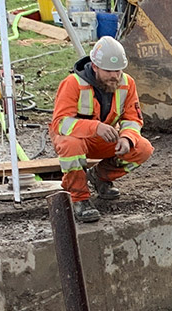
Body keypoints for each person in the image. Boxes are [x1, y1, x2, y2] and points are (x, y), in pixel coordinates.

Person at [50, 35, 154, 223]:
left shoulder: (127, 83)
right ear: (95, 66)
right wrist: (95, 127)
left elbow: (133, 118)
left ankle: (99, 177)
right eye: (108, 71)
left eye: (118, 70)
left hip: (103, 139)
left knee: (142, 148)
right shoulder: (73, 83)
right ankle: (79, 199)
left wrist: (127, 138)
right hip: (76, 139)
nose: (114, 76)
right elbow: (60, 123)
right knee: (70, 145)